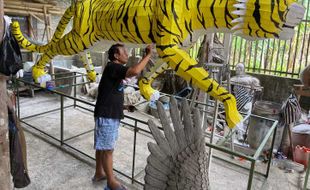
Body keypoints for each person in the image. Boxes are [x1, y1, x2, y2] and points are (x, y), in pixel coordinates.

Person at [93, 43, 152, 190]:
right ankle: (111, 182)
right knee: (108, 149)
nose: (127, 54)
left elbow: (110, 93)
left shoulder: (114, 70)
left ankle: (99, 173)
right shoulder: (114, 66)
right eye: (124, 52)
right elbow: (135, 71)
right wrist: (148, 55)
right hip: (107, 115)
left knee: (103, 146)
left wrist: (123, 106)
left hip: (108, 112)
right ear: (116, 56)